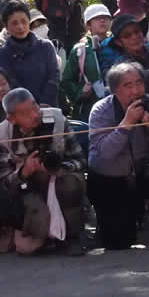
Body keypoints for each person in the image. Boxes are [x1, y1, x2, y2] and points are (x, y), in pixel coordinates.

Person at [88, 62, 149, 248]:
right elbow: (104, 154)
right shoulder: (101, 110)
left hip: (143, 171)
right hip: (110, 177)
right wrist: (126, 124)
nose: (135, 91)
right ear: (115, 90)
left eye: (139, 83)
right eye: (128, 85)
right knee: (118, 242)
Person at [0, 88, 86, 256]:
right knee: (26, 248)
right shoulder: (3, 135)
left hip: (60, 180)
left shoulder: (58, 119)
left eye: (35, 107)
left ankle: (72, 237)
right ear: (11, 119)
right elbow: (3, 183)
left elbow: (81, 160)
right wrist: (23, 172)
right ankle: (45, 236)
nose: (35, 115)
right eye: (26, 113)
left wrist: (60, 168)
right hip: (27, 189)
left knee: (71, 183)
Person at [0, 0, 60, 107]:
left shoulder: (46, 47)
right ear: (6, 27)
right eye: (14, 23)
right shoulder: (3, 54)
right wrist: (29, 106)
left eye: (24, 21)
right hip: (20, 111)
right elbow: (11, 85)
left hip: (48, 108)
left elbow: (53, 77)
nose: (20, 27)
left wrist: (44, 102)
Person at [61, 4, 112, 121]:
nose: (102, 20)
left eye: (105, 17)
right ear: (88, 24)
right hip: (89, 109)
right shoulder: (80, 50)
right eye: (97, 18)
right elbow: (66, 81)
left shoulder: (118, 44)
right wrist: (80, 92)